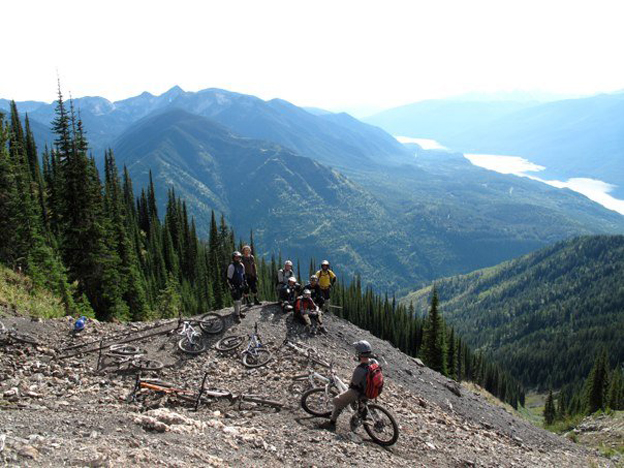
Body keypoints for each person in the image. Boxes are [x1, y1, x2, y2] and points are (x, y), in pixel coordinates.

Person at [321, 340, 377, 430]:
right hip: (372, 390)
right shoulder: (373, 362)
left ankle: (331, 423)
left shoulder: (360, 369)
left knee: (338, 400)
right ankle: (358, 414)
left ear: (360, 353)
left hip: (359, 392)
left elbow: (354, 383)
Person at [226, 251, 248, 323]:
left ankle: (239, 311)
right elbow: (228, 279)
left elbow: (243, 275)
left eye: (239, 257)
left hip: (241, 285)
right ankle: (237, 315)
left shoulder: (241, 265)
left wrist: (245, 282)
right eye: (236, 257)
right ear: (233, 258)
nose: (238, 259)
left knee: (240, 299)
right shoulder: (231, 267)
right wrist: (232, 287)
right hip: (235, 286)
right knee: (236, 301)